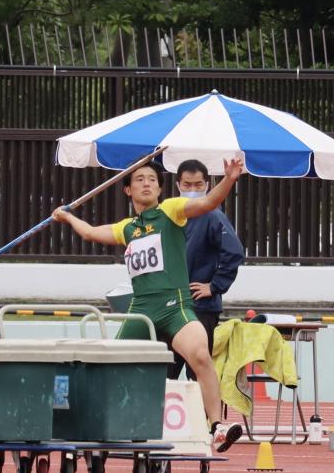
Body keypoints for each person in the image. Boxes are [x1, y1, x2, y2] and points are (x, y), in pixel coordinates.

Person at [51, 157, 245, 452]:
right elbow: (90, 233)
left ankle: (217, 427)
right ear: (128, 189)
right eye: (139, 179)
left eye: (152, 180)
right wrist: (67, 217)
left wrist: (229, 179)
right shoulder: (127, 228)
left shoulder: (171, 211)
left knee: (201, 356)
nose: (146, 183)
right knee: (109, 365)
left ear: (160, 189)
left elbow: (206, 203)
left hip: (174, 305)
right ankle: (91, 424)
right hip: (141, 311)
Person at [169, 159, 246, 381]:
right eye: (187, 185)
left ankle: (203, 416)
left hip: (201, 307)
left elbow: (234, 252)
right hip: (172, 307)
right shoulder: (172, 214)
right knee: (165, 374)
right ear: (178, 186)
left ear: (207, 185)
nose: (192, 190)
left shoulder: (213, 215)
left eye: (198, 185)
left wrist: (214, 286)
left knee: (199, 373)